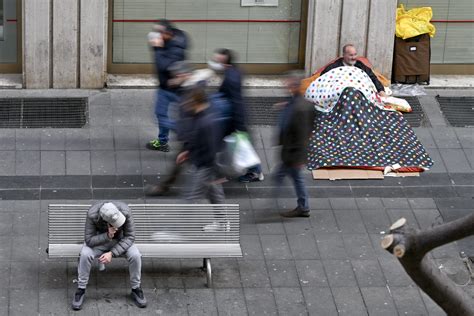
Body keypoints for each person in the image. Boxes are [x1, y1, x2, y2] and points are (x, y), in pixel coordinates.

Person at [71, 201, 147, 310]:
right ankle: (81, 289)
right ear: (105, 221)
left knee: (135, 255)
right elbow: (89, 240)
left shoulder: (125, 211)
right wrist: (107, 235)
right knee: (85, 254)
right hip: (100, 241)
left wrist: (112, 253)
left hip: (120, 241)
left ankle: (136, 288)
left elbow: (130, 237)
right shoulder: (92, 214)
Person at [208, 48, 264, 183]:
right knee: (236, 145)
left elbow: (236, 101)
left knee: (241, 146)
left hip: (233, 119)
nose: (214, 63)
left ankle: (255, 171)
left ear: (225, 63)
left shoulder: (231, 77)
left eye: (217, 61)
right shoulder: (233, 71)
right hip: (230, 117)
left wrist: (239, 125)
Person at [176, 86, 225, 205]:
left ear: (196, 103)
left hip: (203, 165)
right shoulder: (200, 116)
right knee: (215, 194)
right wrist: (187, 151)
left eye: (188, 102)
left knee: (190, 196)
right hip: (205, 164)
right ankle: (223, 222)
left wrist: (204, 167)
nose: (186, 105)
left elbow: (210, 147)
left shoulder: (206, 121)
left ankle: (185, 222)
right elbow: (196, 137)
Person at [276, 72, 315, 218]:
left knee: (294, 177)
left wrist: (299, 158)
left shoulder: (300, 108)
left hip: (293, 153)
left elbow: (302, 134)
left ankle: (303, 207)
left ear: (294, 86)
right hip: (291, 151)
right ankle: (302, 206)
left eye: (288, 83)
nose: (286, 85)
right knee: (288, 176)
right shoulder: (298, 102)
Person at [146, 19, 188, 151]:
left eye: (159, 32)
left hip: (175, 89)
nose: (156, 35)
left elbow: (162, 66)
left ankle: (189, 138)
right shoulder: (174, 38)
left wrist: (157, 48)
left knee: (171, 117)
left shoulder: (176, 50)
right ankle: (163, 141)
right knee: (161, 114)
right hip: (165, 86)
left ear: (168, 33)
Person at [320, 44, 386, 97]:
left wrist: (381, 90)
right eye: (351, 55)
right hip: (341, 94)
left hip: (360, 93)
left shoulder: (360, 65)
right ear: (344, 55)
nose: (354, 57)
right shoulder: (335, 66)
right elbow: (323, 78)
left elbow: (372, 77)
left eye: (355, 54)